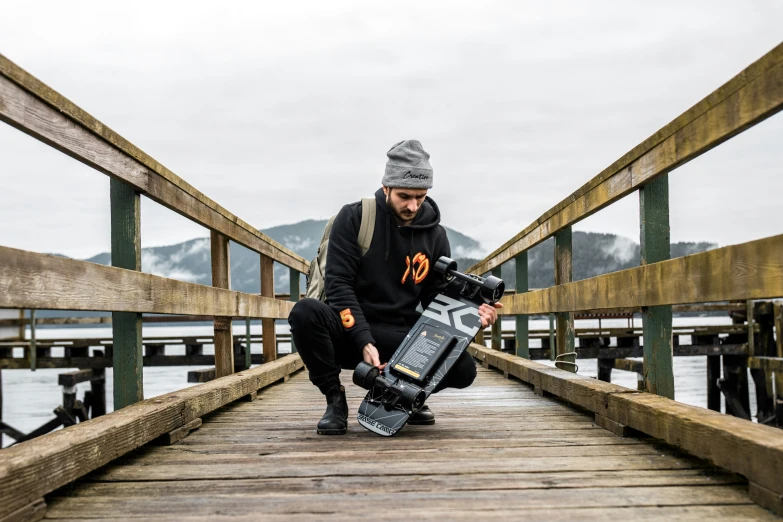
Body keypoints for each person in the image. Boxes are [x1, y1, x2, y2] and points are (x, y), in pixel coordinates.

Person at [288, 139, 501, 435]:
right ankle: (334, 399)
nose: (413, 205)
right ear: (386, 187)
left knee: (464, 369)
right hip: (350, 329)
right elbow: (339, 286)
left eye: (421, 197)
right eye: (404, 196)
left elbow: (434, 299)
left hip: (401, 334)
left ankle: (407, 394)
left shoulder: (435, 236)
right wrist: (363, 340)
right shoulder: (354, 218)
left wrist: (473, 315)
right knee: (304, 313)